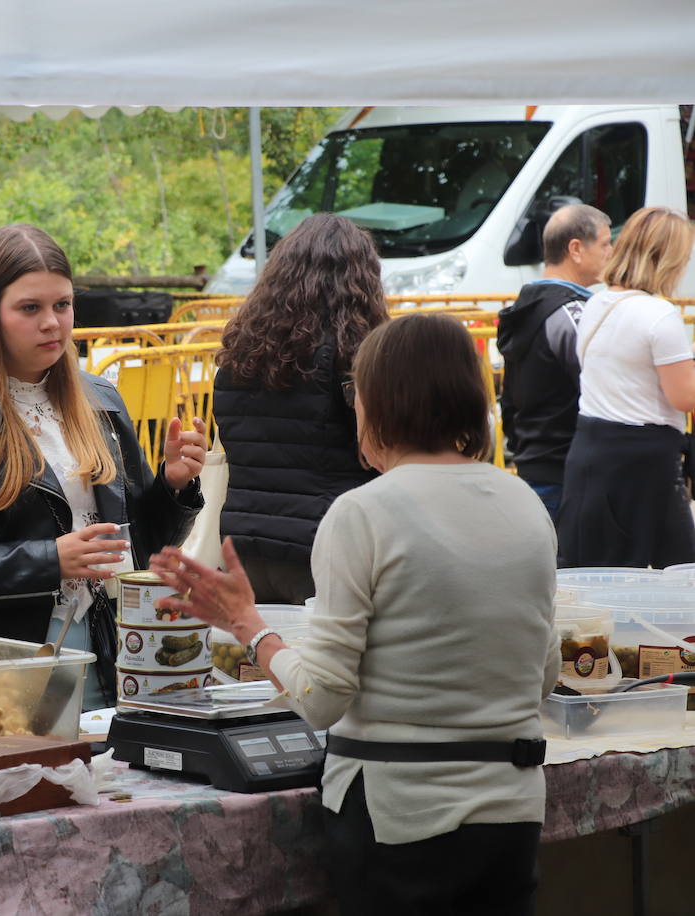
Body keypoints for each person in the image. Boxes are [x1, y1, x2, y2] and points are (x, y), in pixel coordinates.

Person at [151, 314, 558, 916]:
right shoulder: (524, 503)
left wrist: (249, 625)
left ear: (381, 403)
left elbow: (321, 697)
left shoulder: (364, 513)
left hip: (399, 819)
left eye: (356, 394)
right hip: (512, 811)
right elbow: (543, 674)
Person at [0, 224, 205, 706]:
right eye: (30, 308)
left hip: (107, 655)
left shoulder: (103, 401)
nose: (52, 322)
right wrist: (48, 560)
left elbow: (135, 549)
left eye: (63, 305)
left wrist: (175, 489)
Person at [212, 213, 386, 605]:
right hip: (326, 549)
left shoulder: (239, 357)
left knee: (254, 663)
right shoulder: (356, 358)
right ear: (362, 281)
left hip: (243, 550)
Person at [559, 206, 695, 568]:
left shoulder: (596, 303)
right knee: (680, 574)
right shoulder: (658, 315)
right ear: (669, 259)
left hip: (591, 448)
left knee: (599, 572)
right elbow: (684, 396)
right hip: (645, 460)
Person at [498, 204, 612, 523]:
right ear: (575, 248)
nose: (612, 252)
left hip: (534, 463)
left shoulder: (525, 306)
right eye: (604, 243)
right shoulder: (572, 314)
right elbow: (602, 385)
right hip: (569, 469)